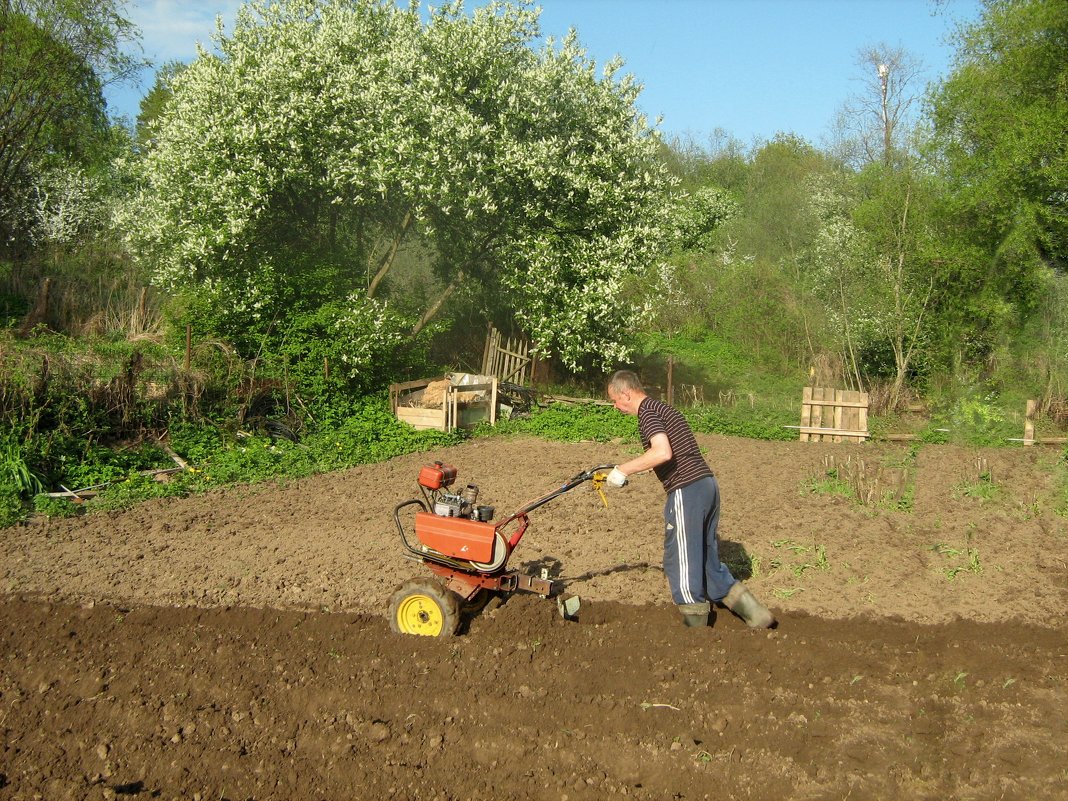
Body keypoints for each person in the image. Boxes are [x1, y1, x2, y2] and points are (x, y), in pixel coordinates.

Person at [604, 370, 775, 629]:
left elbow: (662, 452)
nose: (615, 407)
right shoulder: (663, 408)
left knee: (680, 557)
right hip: (707, 485)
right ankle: (756, 614)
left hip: (687, 489)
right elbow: (670, 453)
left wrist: (623, 469)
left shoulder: (647, 413)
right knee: (706, 559)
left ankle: (695, 629)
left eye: (615, 400)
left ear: (626, 393)